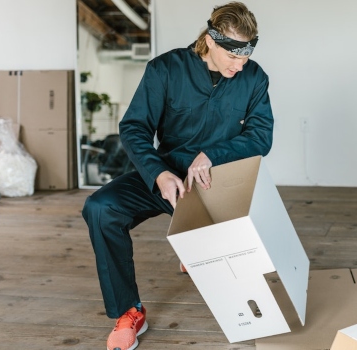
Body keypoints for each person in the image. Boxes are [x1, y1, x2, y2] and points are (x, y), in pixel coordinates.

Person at [81, 2, 273, 349]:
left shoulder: (255, 77)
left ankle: (193, 242)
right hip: (168, 175)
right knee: (100, 208)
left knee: (245, 269)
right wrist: (158, 174)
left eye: (246, 55)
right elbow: (134, 127)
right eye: (233, 55)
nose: (240, 64)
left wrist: (212, 155)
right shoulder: (165, 69)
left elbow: (261, 138)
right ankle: (129, 311)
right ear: (211, 41)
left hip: (217, 183)